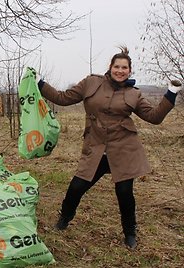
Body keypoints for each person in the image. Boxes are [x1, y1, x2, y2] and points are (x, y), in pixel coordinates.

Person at [34, 46, 182, 250]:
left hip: (124, 150)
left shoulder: (134, 94)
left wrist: (171, 93)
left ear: (130, 71)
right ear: (110, 67)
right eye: (117, 66)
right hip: (95, 148)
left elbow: (154, 117)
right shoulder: (91, 83)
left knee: (124, 193)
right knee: (76, 187)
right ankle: (64, 219)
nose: (120, 70)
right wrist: (40, 83)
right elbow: (63, 98)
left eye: (125, 68)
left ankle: (130, 234)